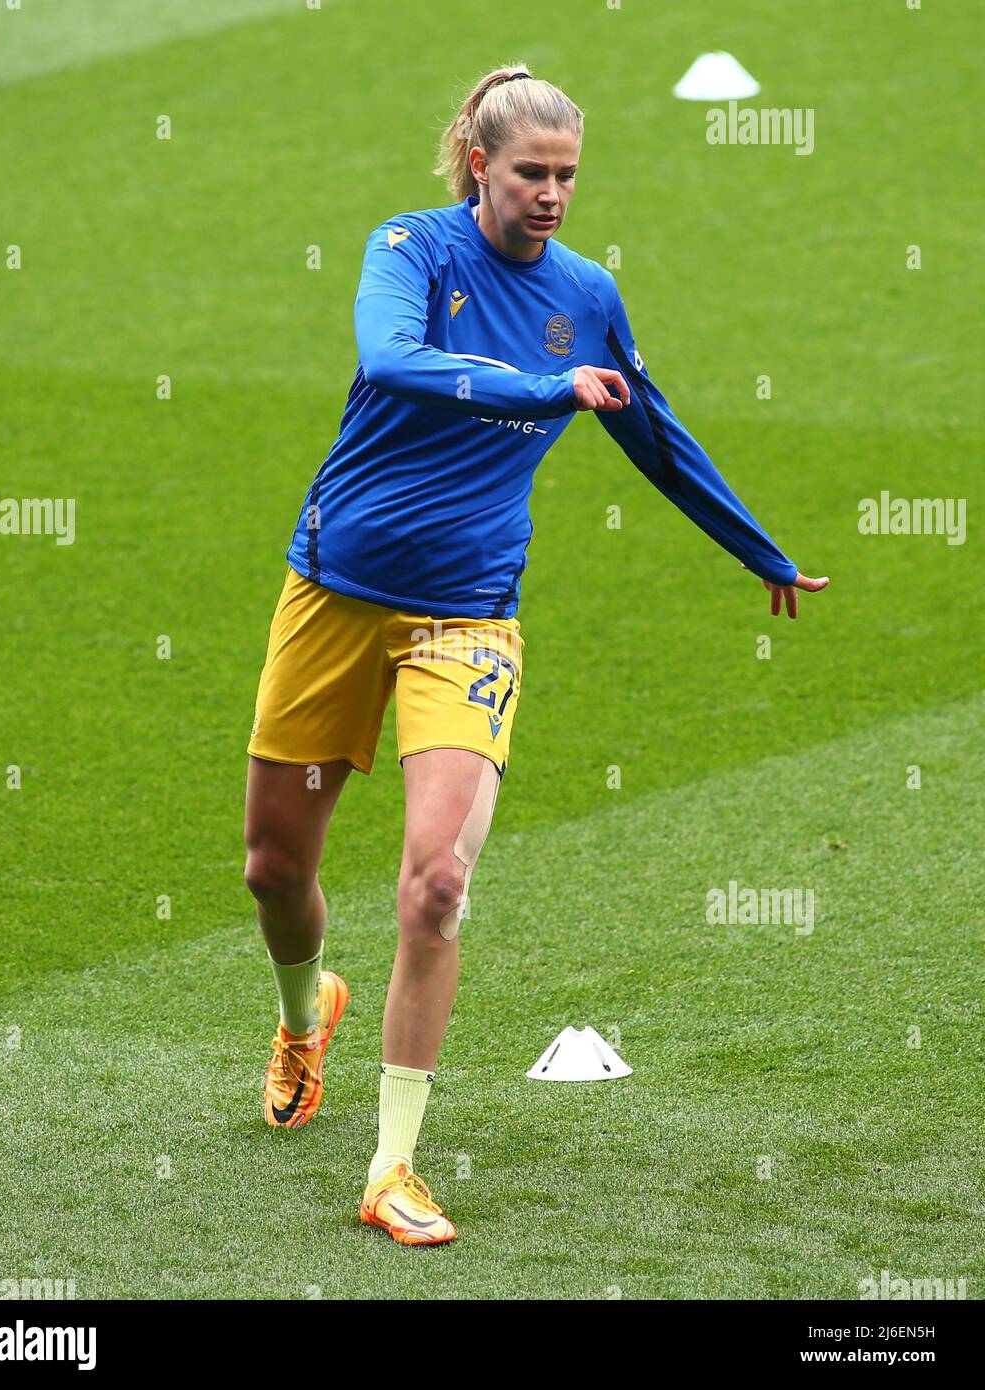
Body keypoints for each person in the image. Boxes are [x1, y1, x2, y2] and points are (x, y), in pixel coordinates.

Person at [243, 62, 829, 1247]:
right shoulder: (408, 250)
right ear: (480, 166)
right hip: (335, 593)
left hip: (469, 615)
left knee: (437, 882)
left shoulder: (587, 292)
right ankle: (307, 1012)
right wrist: (539, 384)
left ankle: (392, 1165)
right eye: (531, 172)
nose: (553, 193)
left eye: (567, 174)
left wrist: (754, 548)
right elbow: (390, 360)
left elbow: (648, 429)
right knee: (271, 866)